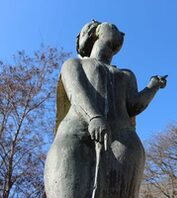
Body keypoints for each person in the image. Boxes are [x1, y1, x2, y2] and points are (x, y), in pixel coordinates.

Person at [44, 20, 167, 198]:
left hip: (123, 143)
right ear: (96, 32)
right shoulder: (74, 64)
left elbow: (133, 106)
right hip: (76, 138)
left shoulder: (126, 75)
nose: (122, 33)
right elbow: (75, 91)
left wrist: (153, 86)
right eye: (115, 28)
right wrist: (94, 117)